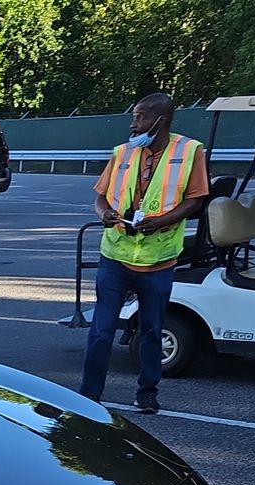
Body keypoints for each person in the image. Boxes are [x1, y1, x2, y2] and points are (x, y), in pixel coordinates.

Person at [80, 92, 209, 414]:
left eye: (140, 117)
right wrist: (104, 214)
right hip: (116, 255)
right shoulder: (122, 153)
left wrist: (161, 221)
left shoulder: (189, 151)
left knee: (152, 329)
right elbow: (100, 196)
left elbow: (195, 201)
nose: (133, 124)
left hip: (157, 260)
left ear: (160, 121)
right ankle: (89, 394)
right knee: (101, 330)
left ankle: (147, 392)